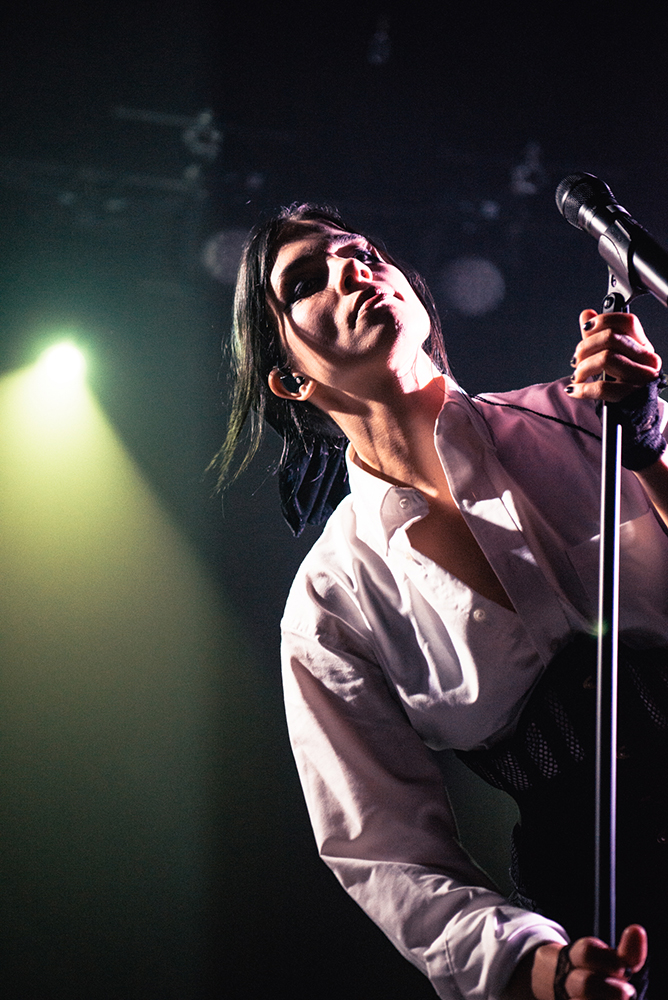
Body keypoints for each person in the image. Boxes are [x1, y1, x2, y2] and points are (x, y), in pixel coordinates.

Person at [216, 203, 668, 999]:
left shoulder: (589, 418)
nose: (352, 270)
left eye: (361, 252)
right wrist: (535, 966)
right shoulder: (331, 602)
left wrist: (651, 441)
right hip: (599, 922)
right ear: (290, 378)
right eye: (307, 281)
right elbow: (384, 854)